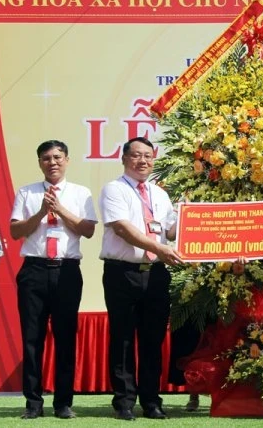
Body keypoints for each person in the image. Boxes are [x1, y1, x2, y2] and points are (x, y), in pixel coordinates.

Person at [9, 140, 97, 420]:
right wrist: (40, 211)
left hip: (67, 271)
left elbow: (88, 230)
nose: (52, 162)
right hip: (33, 270)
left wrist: (60, 209)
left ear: (67, 160)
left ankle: (63, 403)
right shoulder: (27, 192)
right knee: (32, 339)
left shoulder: (81, 193)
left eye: (58, 157)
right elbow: (15, 232)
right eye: (46, 158)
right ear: (39, 163)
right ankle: (33, 403)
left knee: (65, 338)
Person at [99, 137, 183, 421]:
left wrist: (189, 217)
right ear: (124, 159)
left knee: (153, 340)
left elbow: (170, 232)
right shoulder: (114, 189)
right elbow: (122, 228)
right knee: (122, 339)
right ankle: (123, 402)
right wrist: (159, 247)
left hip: (156, 274)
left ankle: (151, 401)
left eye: (148, 156)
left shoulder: (160, 194)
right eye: (136, 155)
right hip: (123, 273)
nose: (143, 161)